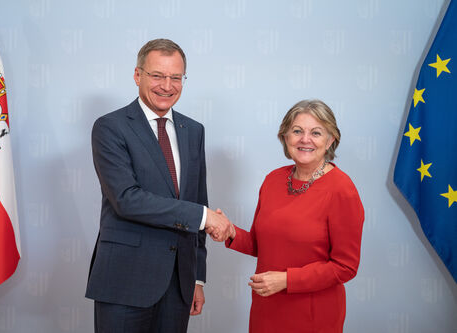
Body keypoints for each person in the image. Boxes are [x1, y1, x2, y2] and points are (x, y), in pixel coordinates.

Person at [85, 38, 231, 333]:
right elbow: (127, 199)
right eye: (157, 75)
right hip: (124, 282)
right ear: (138, 75)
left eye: (175, 77)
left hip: (178, 284)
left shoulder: (193, 131)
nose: (167, 85)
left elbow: (196, 198)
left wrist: (197, 279)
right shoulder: (110, 127)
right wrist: (205, 217)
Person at [222, 99, 364, 332]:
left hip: (313, 316)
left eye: (316, 133)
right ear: (285, 137)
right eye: (297, 131)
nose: (304, 139)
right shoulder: (273, 180)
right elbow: (262, 244)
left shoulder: (342, 189)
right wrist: (230, 232)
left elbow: (345, 266)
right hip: (266, 310)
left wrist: (287, 280)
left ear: (330, 140)